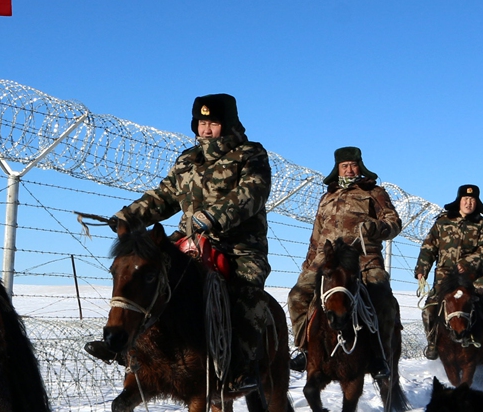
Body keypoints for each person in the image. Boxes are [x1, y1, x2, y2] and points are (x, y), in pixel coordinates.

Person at [84, 94, 271, 391]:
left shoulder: (251, 155)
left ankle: (242, 368)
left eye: (213, 123)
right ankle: (123, 345)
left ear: (229, 124)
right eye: (201, 123)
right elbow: (165, 196)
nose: (206, 130)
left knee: (247, 293)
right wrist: (127, 217)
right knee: (143, 275)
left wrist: (215, 216)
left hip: (238, 247)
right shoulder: (187, 159)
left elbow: (252, 193)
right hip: (189, 240)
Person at [287, 147, 402, 373]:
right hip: (326, 260)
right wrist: (308, 265)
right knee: (297, 295)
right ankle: (304, 348)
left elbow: (394, 223)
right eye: (344, 166)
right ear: (337, 168)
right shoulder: (327, 196)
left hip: (364, 258)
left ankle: (379, 354)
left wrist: (377, 227)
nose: (349, 170)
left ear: (360, 166)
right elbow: (316, 236)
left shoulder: (375, 192)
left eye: (353, 165)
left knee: (380, 294)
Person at [414, 184, 483, 360]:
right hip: (445, 276)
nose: (469, 203)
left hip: (475, 276)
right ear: (459, 201)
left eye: (472, 200)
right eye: (465, 199)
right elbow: (428, 247)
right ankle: (432, 343)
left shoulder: (482, 224)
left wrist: (468, 263)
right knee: (429, 309)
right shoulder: (442, 222)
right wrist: (421, 270)